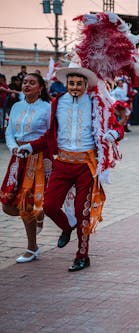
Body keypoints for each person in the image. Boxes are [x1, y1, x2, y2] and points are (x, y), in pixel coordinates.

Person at [17, 62, 125, 272]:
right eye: (71, 83)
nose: (75, 87)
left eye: (79, 83)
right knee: (49, 206)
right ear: (66, 84)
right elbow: (50, 135)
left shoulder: (97, 103)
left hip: (86, 165)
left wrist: (114, 135)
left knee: (81, 211)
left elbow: (117, 126)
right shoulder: (58, 102)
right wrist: (30, 147)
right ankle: (67, 228)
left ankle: (82, 256)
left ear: (86, 85)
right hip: (62, 164)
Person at [0, 73, 51, 263]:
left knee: (26, 205)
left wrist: (32, 147)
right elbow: (9, 131)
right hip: (17, 158)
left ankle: (32, 248)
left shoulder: (47, 108)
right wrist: (14, 147)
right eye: (25, 82)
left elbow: (49, 135)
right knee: (7, 205)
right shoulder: (16, 106)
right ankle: (40, 214)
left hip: (37, 159)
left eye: (32, 83)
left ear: (41, 88)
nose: (27, 85)